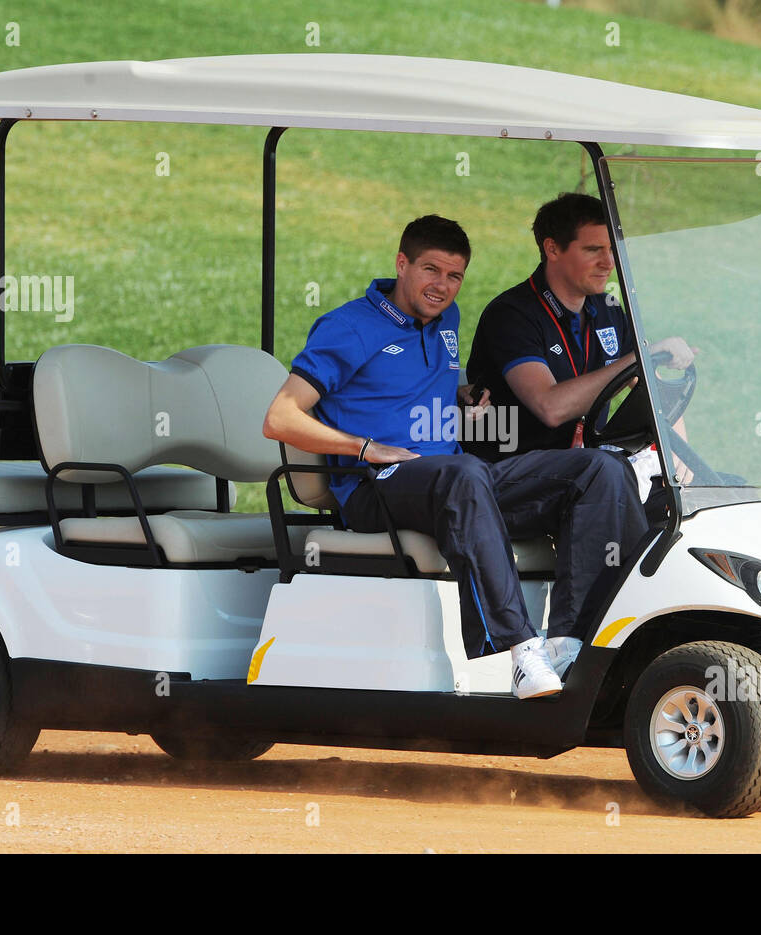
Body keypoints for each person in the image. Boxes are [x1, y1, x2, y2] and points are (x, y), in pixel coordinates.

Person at [263, 215, 648, 699]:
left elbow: (402, 388)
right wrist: (364, 447)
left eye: (454, 276)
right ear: (401, 264)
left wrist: (461, 395)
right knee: (465, 472)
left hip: (451, 484)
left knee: (599, 468)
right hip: (375, 488)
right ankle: (521, 649)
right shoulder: (348, 327)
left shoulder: (447, 319)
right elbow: (279, 417)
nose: (441, 286)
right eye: (430, 270)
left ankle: (571, 644)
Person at [464, 193, 695, 515]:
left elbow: (650, 389)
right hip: (512, 475)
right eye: (593, 250)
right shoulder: (512, 314)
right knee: (606, 474)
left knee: (715, 493)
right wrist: (640, 356)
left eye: (612, 249)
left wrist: (677, 452)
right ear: (553, 249)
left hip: (587, 469)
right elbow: (550, 407)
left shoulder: (608, 308)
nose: (609, 263)